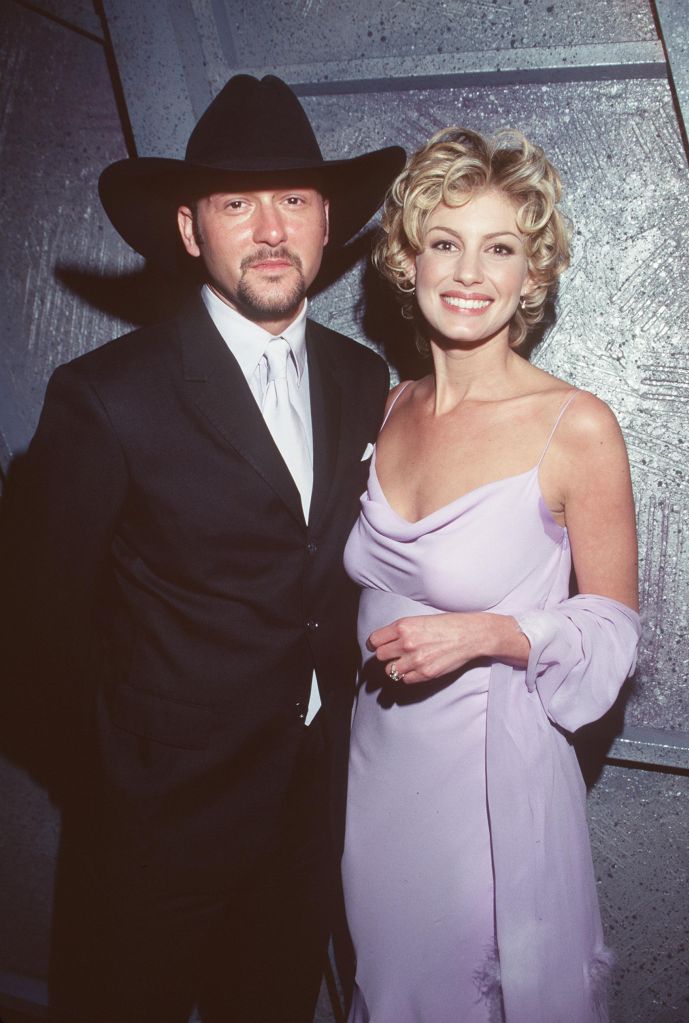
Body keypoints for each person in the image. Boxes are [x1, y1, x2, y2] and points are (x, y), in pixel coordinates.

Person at [1, 75, 404, 1022]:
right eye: (236, 203)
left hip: (308, 820)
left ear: (328, 221)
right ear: (189, 229)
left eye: (294, 200)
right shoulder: (107, 393)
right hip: (152, 831)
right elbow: (30, 626)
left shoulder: (360, 375)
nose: (270, 229)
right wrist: (115, 776)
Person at [341, 127, 641, 1023]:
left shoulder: (577, 426)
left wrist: (494, 634)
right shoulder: (390, 403)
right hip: (374, 778)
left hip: (486, 795)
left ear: (531, 276)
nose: (470, 271)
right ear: (408, 260)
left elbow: (616, 631)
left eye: (500, 247)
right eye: (446, 242)